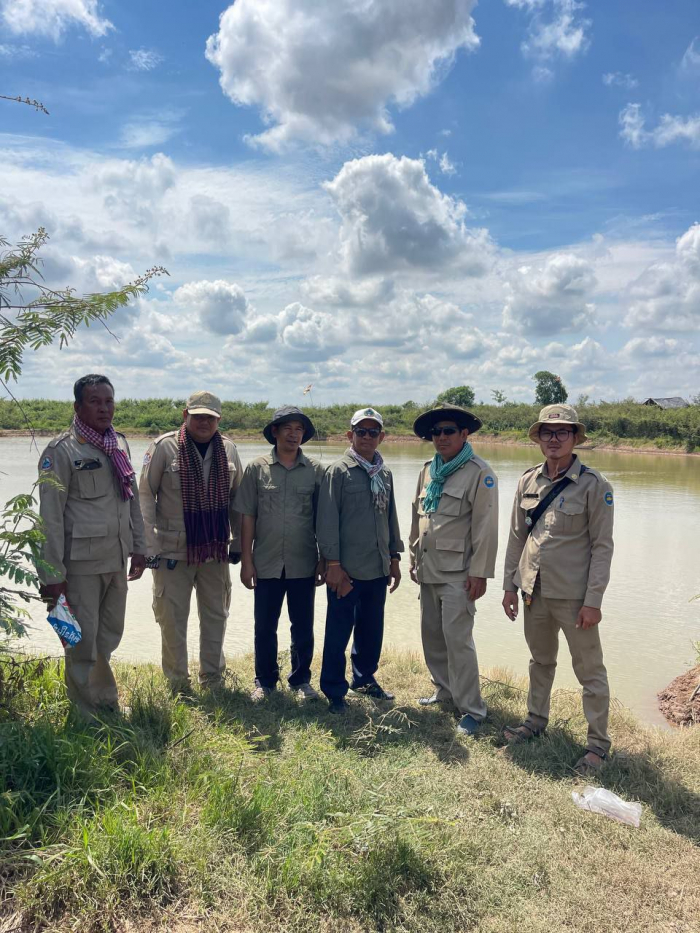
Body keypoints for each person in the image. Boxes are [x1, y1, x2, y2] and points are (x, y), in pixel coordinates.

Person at [501, 404, 615, 776]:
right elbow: (517, 538)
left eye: (562, 432)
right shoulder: (527, 481)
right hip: (533, 592)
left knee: (590, 672)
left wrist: (593, 601)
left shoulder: (595, 485)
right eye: (547, 432)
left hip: (574, 597)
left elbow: (602, 547)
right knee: (540, 661)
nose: (554, 439)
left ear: (575, 438)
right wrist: (509, 586)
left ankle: (597, 746)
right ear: (538, 438)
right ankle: (535, 721)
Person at [37, 374, 146, 716]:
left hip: (116, 558)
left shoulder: (119, 445)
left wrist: (140, 547)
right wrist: (52, 575)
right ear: (78, 406)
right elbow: (49, 518)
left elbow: (132, 500)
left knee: (109, 634)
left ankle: (103, 700)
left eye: (108, 401)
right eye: (94, 401)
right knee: (80, 639)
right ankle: (87, 714)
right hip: (80, 565)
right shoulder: (61, 451)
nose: (103, 408)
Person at [139, 391, 242, 692]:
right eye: (197, 416)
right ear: (185, 416)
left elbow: (238, 500)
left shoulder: (229, 450)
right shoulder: (164, 447)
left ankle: (213, 679)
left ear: (218, 420)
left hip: (215, 548)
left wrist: (238, 543)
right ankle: (177, 683)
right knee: (172, 620)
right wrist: (148, 545)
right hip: (171, 551)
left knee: (216, 616)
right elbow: (145, 494)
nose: (204, 422)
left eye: (210, 417)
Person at [409, 405, 499, 735]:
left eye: (449, 431)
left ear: (464, 434)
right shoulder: (427, 470)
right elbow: (418, 517)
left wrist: (480, 573)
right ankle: (445, 691)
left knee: (458, 641)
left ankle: (472, 708)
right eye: (436, 432)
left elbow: (486, 527)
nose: (441, 437)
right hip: (429, 568)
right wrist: (413, 557)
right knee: (432, 636)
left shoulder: (479, 472)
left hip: (459, 573)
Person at [235, 406, 326, 702]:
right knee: (264, 626)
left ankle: (301, 680)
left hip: (303, 562)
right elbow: (247, 516)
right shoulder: (256, 468)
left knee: (303, 627)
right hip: (266, 561)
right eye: (287, 428)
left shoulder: (316, 470)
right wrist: (246, 561)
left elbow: (323, 520)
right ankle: (265, 682)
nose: (293, 434)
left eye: (299, 429)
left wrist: (324, 559)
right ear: (274, 432)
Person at [316, 407, 403, 712]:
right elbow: (327, 520)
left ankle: (364, 679)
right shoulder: (338, 471)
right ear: (349, 435)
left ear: (382, 436)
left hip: (377, 567)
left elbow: (390, 517)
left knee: (371, 630)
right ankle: (334, 690)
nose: (367, 437)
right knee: (338, 632)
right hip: (346, 570)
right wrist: (333, 565)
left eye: (373, 432)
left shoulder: (385, 473)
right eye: (361, 431)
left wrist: (394, 557)